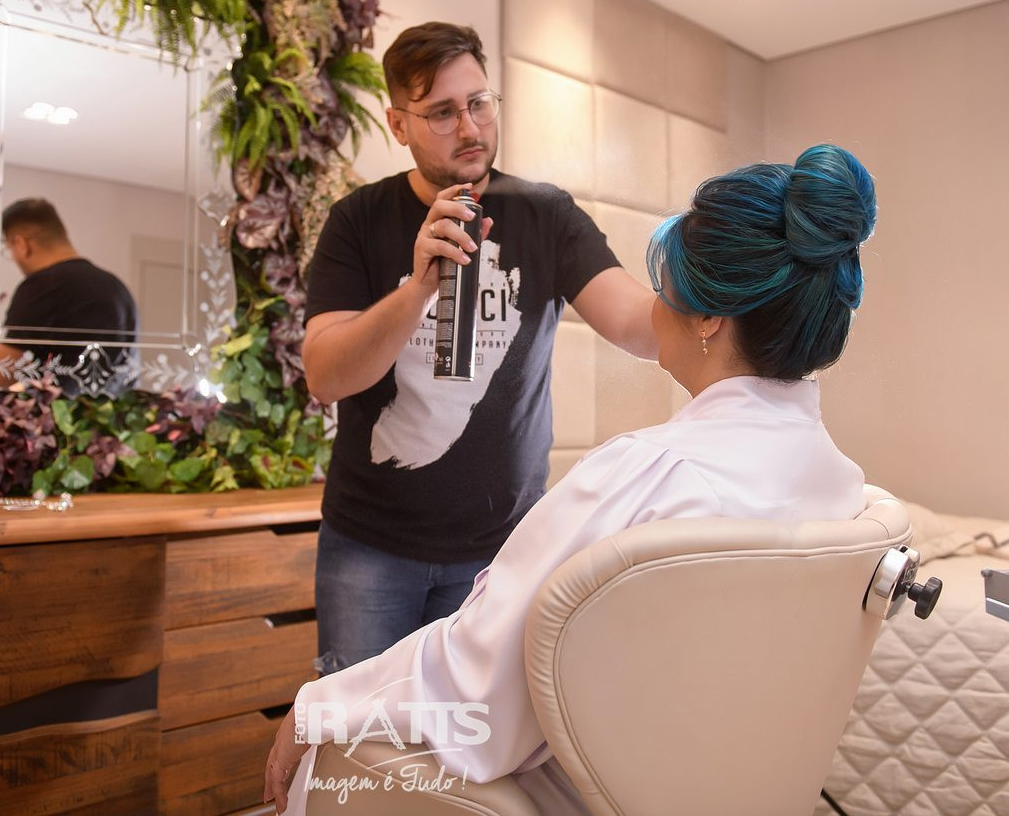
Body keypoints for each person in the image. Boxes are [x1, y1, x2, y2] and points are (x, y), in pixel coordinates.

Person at [265, 143, 879, 814]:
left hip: (596, 794)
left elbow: (477, 698)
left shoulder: (645, 476)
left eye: (665, 284)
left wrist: (319, 706)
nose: (654, 305)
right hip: (718, 790)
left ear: (708, 318)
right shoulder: (842, 487)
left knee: (326, 757)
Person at [302, 22, 658, 676]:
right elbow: (325, 375)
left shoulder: (547, 214)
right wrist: (418, 289)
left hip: (500, 549)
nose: (469, 128)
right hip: (369, 548)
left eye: (478, 103)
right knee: (358, 726)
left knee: (472, 733)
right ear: (398, 124)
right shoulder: (357, 220)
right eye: (441, 112)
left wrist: (719, 293)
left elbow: (637, 323)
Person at [0, 198, 137, 394]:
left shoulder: (43, 285)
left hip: (63, 411)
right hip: (114, 411)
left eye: (9, 250)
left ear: (21, 244)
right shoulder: (118, 288)